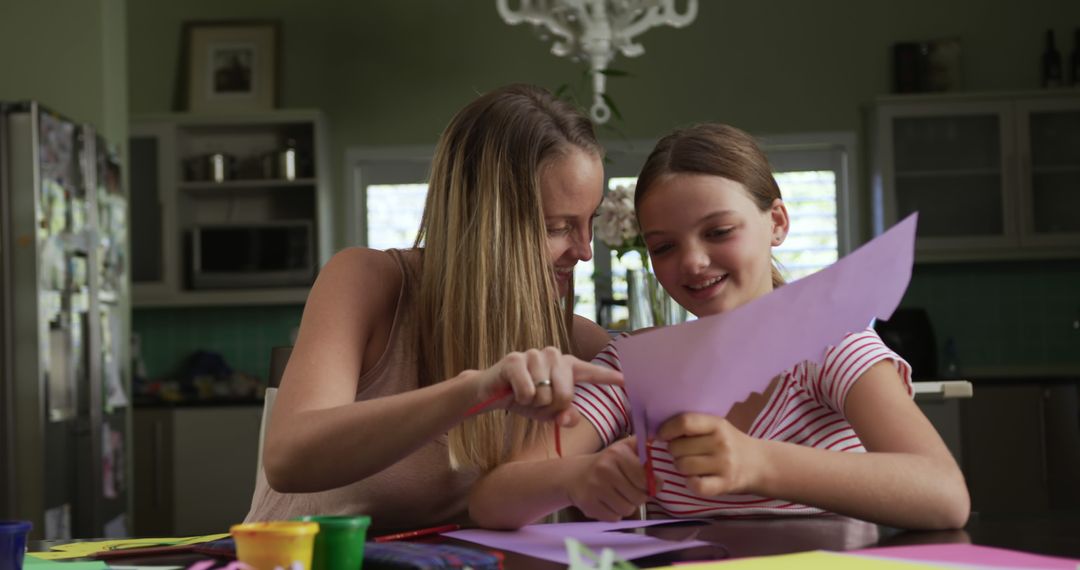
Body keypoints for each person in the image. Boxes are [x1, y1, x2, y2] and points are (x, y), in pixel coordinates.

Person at [470, 123, 970, 530]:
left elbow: (944, 495)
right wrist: (576, 477)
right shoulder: (635, 366)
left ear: (776, 222)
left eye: (719, 232)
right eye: (663, 246)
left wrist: (759, 463)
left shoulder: (832, 344)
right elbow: (492, 499)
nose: (691, 262)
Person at [246, 84, 623, 532]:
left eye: (590, 221)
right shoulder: (366, 281)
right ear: (485, 222)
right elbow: (289, 459)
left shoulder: (580, 350)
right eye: (558, 227)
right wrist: (474, 392)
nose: (583, 251)